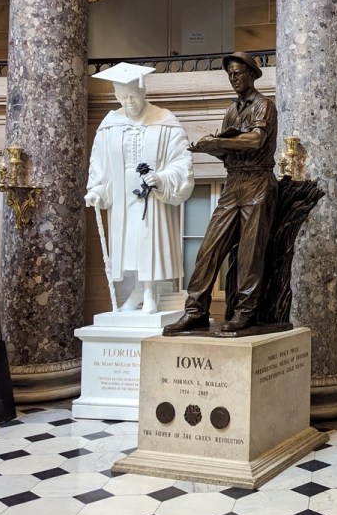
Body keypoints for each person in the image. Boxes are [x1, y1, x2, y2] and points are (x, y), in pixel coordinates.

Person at [164, 52, 278, 334]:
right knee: (208, 249)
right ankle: (195, 311)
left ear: (252, 74)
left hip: (257, 182)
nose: (233, 78)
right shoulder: (232, 110)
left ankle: (246, 313)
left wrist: (217, 140)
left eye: (238, 73)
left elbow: (255, 140)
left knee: (250, 254)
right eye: (230, 74)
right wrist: (211, 148)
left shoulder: (264, 106)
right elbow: (231, 152)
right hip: (234, 183)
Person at [85, 62, 194, 314]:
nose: (129, 102)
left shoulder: (165, 120)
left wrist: (163, 178)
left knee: (150, 240)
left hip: (153, 195)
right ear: (115, 96)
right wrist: (97, 189)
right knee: (130, 242)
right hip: (122, 193)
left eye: (133, 96)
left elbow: (182, 160)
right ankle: (136, 291)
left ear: (144, 92)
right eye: (123, 98)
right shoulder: (109, 123)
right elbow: (99, 163)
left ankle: (150, 291)